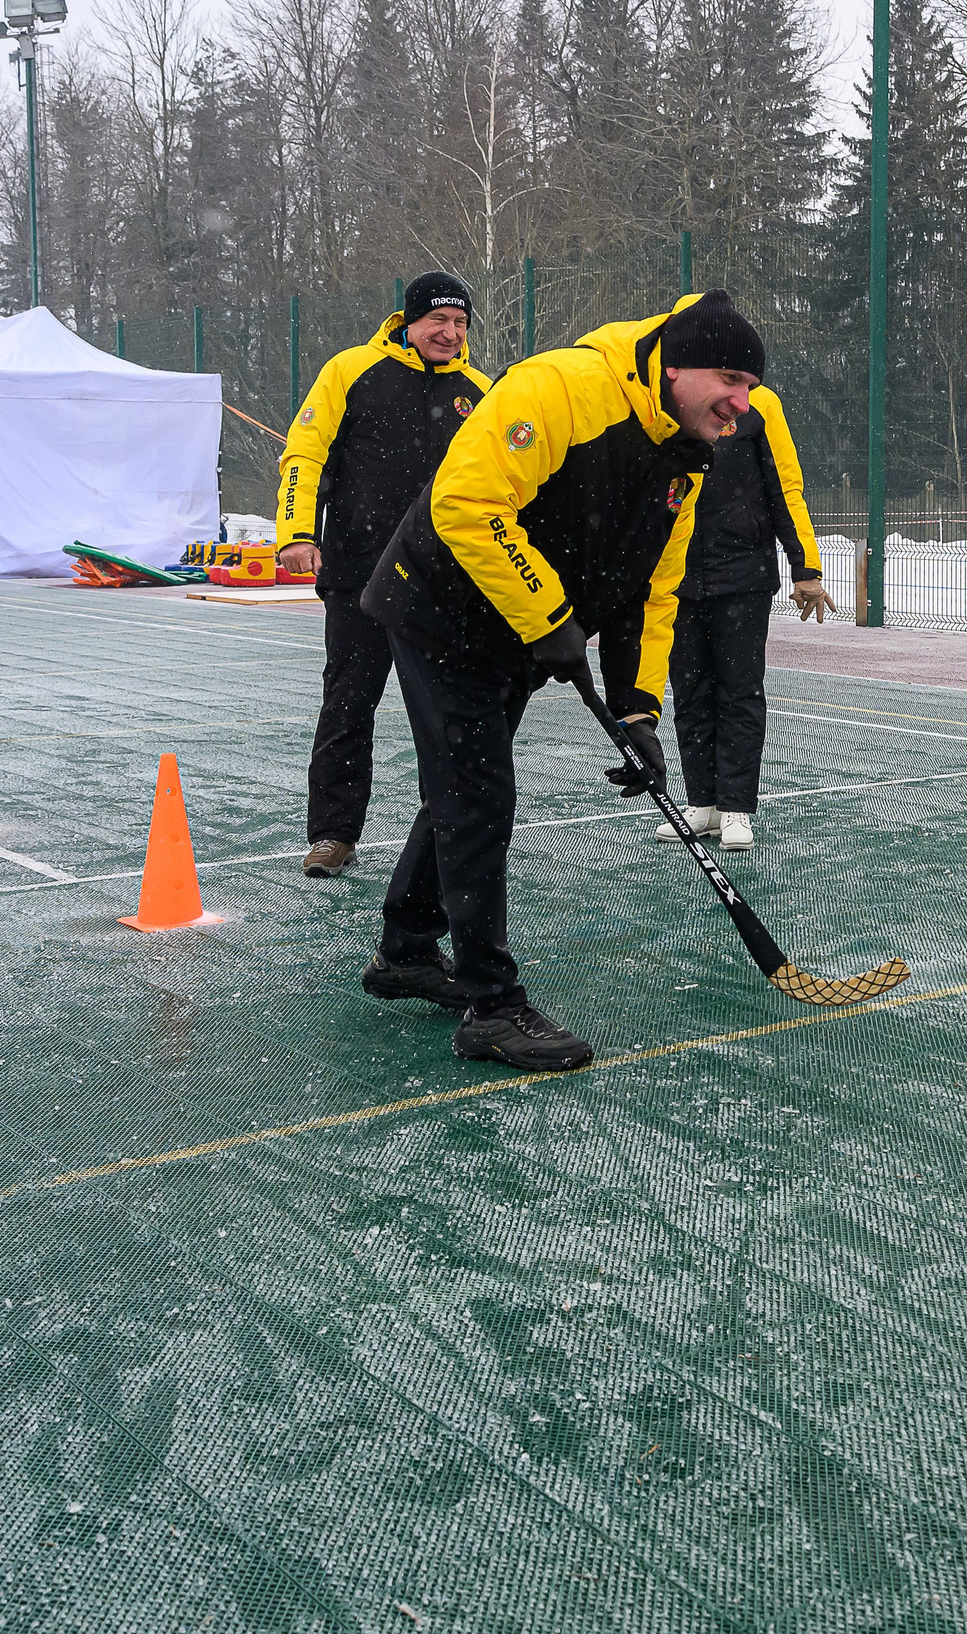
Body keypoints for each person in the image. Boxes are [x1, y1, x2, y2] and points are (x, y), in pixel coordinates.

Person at [357, 288, 766, 1070]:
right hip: (440, 606)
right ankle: (491, 1005)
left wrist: (638, 707)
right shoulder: (561, 389)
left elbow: (655, 588)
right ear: (675, 365)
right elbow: (468, 505)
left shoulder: (686, 453)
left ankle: (406, 947)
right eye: (730, 380)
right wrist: (550, 619)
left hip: (515, 621)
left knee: (461, 782)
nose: (741, 405)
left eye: (750, 389)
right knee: (476, 790)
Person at [275, 271, 486, 878]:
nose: (449, 333)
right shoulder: (350, 370)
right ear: (408, 321)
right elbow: (304, 453)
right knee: (348, 705)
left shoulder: (480, 389)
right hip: (360, 578)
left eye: (460, 324)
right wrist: (297, 534)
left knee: (449, 715)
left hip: (443, 584)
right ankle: (333, 835)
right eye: (437, 321)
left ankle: (447, 828)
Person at [661, 381, 834, 851]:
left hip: (743, 577)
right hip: (676, 579)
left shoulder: (761, 406)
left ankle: (735, 806)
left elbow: (785, 486)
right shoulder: (663, 402)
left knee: (738, 692)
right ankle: (703, 804)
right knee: (690, 689)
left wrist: (806, 567)